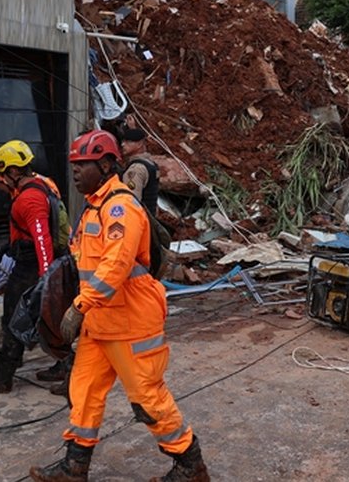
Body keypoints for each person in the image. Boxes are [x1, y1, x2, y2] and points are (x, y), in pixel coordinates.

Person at [29, 130, 209, 482]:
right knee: (83, 393)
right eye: (74, 165)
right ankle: (74, 466)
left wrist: (79, 306)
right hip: (99, 323)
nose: (76, 172)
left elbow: (116, 264)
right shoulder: (92, 209)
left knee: (147, 397)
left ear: (107, 164)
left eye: (84, 165)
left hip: (130, 322)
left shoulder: (120, 207)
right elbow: (84, 266)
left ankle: (189, 463)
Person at [0, 140, 68, 393]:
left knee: (14, 318)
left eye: (1, 178)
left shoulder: (29, 200)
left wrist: (45, 278)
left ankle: (2, 377)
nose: (0, 186)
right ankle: (65, 365)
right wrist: (11, 245)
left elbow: (42, 238)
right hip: (40, 260)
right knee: (49, 318)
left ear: (14, 172)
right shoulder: (44, 184)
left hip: (31, 267)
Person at [119, 127, 159, 216]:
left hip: (137, 221)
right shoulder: (150, 164)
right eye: (123, 141)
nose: (123, 144)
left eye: (128, 141)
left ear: (140, 144)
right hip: (148, 219)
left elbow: (131, 203)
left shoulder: (136, 169)